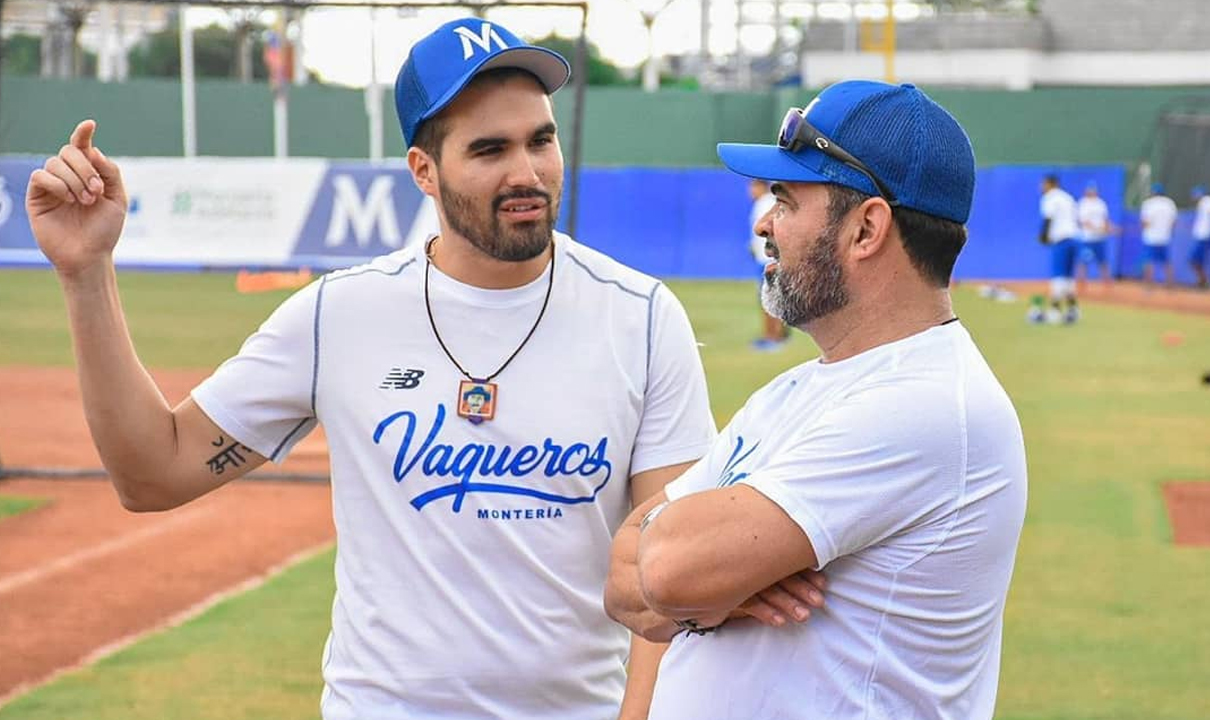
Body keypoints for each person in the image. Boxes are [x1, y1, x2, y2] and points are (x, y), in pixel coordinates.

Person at [25, 17, 719, 720]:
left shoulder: (641, 317)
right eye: (489, 150)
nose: (527, 173)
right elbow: (153, 472)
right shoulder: (338, 316)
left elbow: (674, 572)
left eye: (541, 140)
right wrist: (87, 274)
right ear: (424, 170)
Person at [604, 80, 1028, 720]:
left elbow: (664, 568)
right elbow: (622, 578)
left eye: (786, 200)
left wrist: (692, 580)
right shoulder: (796, 391)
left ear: (866, 228)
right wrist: (721, 589)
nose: (764, 223)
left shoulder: (927, 404)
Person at [746, 178, 787, 350]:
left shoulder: (765, 203)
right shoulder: (764, 203)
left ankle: (772, 337)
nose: (750, 191)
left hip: (767, 259)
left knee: (769, 299)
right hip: (763, 257)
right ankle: (777, 335)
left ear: (761, 186)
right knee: (771, 298)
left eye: (753, 187)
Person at [1036, 173, 1081, 324]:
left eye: (1043, 184)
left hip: (1061, 240)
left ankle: (1055, 310)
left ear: (1050, 184)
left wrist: (1043, 236)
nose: (1041, 187)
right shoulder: (1068, 197)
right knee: (1068, 277)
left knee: (1058, 276)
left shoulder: (1050, 197)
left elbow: (1049, 218)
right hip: (1074, 238)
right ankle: (1073, 309)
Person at [1076, 181, 1114, 286]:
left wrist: (1109, 228)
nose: (1091, 192)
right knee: (1083, 261)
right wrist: (1097, 228)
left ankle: (1107, 283)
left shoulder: (1101, 203)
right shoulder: (1083, 203)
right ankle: (1081, 284)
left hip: (1100, 239)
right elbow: (1083, 221)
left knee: (1103, 261)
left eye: (1093, 190)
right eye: (1089, 190)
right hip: (1087, 239)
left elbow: (1105, 220)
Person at [1140, 182, 1178, 288]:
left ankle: (1148, 284)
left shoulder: (1148, 203)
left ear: (1153, 192)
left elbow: (1144, 222)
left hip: (1150, 237)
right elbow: (1174, 222)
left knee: (1149, 261)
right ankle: (1170, 284)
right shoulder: (1169, 203)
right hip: (1165, 237)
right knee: (1166, 261)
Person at [1189, 184, 1210, 288]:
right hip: (1202, 235)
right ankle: (1202, 281)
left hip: (1204, 236)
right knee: (1196, 260)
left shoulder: (1205, 201)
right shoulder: (1203, 202)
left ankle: (1203, 282)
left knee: (1194, 260)